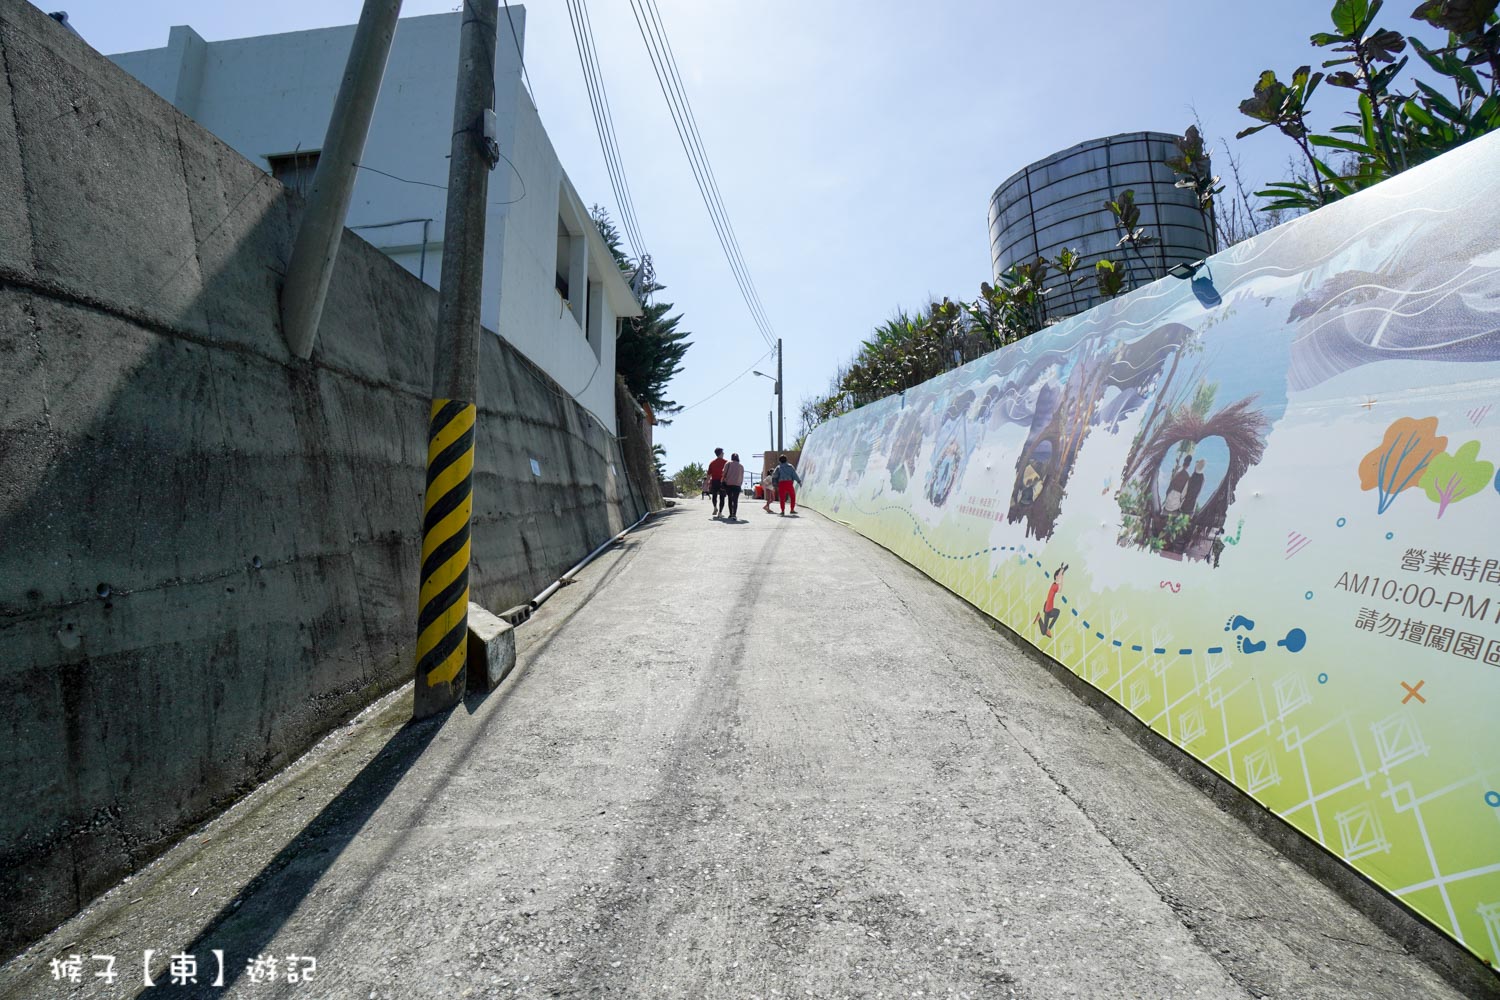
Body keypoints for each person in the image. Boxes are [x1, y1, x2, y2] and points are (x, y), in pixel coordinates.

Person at [1033, 563, 1068, 638]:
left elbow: (1060, 584)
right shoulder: (1055, 586)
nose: (1061, 578)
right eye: (1060, 577)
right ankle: (1049, 629)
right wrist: (1062, 570)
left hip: (1047, 607)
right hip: (1049, 609)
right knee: (1057, 612)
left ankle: (1039, 618)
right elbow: (1060, 589)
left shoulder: (1054, 584)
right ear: (1056, 577)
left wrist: (1062, 572)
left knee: (1043, 632)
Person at [721, 452, 745, 519]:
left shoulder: (728, 464)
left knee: (730, 499)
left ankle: (730, 513)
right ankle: (734, 514)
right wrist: (740, 483)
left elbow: (723, 473)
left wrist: (722, 481)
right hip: (737, 485)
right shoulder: (741, 466)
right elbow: (742, 476)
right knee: (735, 500)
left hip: (729, 484)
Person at [707, 447, 727, 517]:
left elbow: (709, 474)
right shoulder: (726, 462)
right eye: (723, 452)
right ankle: (720, 512)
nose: (723, 453)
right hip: (722, 482)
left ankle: (715, 507)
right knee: (722, 497)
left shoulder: (712, 463)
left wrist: (707, 483)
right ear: (721, 453)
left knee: (714, 496)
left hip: (714, 481)